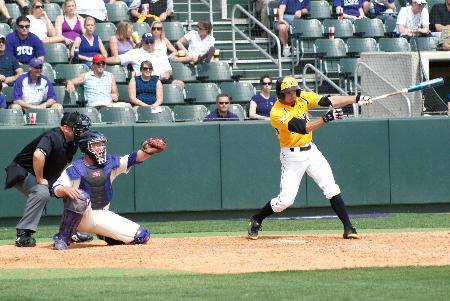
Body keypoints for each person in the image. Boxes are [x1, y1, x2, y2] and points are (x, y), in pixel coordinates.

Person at [247, 76, 373, 240]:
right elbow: (303, 128)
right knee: (285, 201)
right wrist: (326, 118)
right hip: (291, 157)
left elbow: (329, 100)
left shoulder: (302, 97)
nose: (293, 95)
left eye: (294, 91)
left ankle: (348, 227)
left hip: (311, 151)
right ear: (280, 94)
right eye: (288, 92)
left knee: (331, 188)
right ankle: (257, 219)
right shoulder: (276, 113)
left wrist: (356, 99)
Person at [51, 130, 167, 250]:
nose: (101, 148)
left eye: (102, 144)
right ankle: (63, 237)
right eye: (96, 145)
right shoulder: (75, 168)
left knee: (141, 236)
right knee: (80, 196)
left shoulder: (109, 163)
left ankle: (105, 234)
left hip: (102, 213)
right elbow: (55, 189)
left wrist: (147, 151)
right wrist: (64, 189)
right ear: (86, 147)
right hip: (82, 218)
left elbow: (132, 159)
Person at [4, 111, 93, 247]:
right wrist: (40, 179)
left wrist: (66, 184)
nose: (82, 132)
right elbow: (38, 155)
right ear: (66, 127)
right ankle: (23, 234)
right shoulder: (53, 136)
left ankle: (71, 231)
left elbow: (65, 165)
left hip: (46, 174)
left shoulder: (73, 143)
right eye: (79, 128)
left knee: (73, 190)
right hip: (22, 171)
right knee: (42, 192)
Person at [107, 33, 183, 88]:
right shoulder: (135, 52)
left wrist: (167, 73)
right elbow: (117, 58)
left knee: (180, 84)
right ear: (142, 42)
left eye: (151, 42)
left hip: (164, 81)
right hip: (146, 82)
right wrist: (101, 60)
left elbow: (169, 70)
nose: (149, 44)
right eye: (146, 42)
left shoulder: (161, 53)